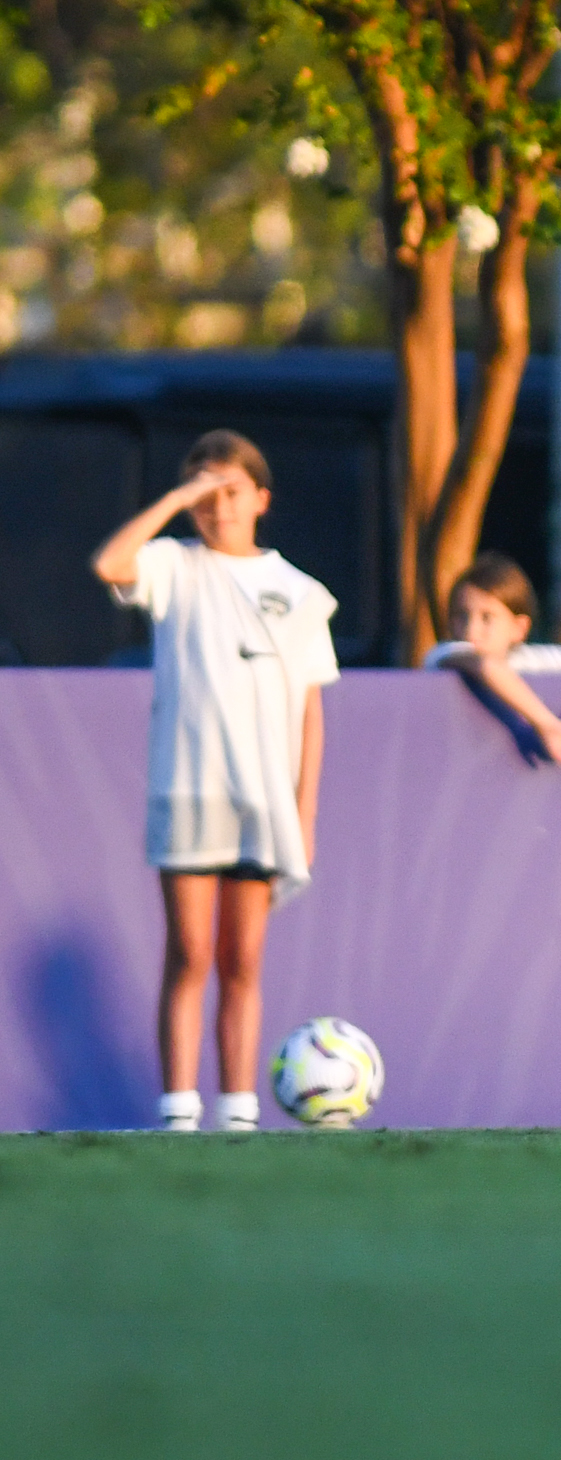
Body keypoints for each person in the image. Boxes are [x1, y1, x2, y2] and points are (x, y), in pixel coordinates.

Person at [91, 430, 341, 1133]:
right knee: (190, 950)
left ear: (261, 499)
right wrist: (175, 499)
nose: (218, 506)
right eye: (205, 493)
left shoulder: (299, 593)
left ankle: (237, 1110)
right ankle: (178, 1109)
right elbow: (112, 563)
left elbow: (311, 709)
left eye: (230, 491)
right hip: (188, 788)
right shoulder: (174, 566)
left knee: (243, 957)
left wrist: (306, 809)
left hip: (263, 799)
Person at [424, 553, 561, 767]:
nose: (471, 630)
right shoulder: (446, 653)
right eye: (461, 616)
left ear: (519, 628)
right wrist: (548, 726)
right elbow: (486, 665)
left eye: (487, 618)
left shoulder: (529, 658)